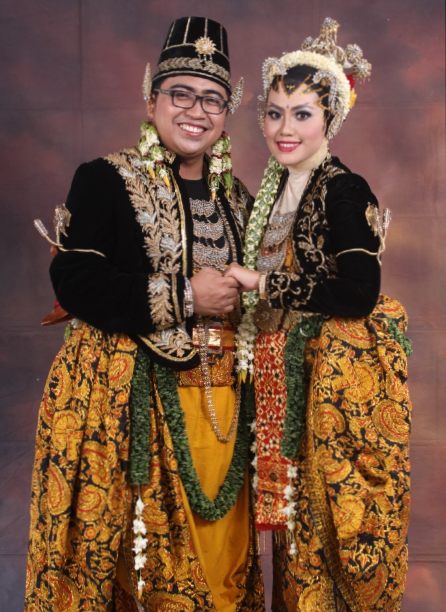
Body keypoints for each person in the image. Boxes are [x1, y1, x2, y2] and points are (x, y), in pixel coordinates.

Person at [25, 16, 264, 611]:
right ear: (150, 99)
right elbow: (76, 282)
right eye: (181, 93)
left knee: (221, 569)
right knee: (141, 575)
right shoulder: (105, 180)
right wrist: (187, 296)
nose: (196, 111)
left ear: (227, 112)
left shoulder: (240, 199)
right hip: (133, 414)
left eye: (212, 99)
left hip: (224, 419)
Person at [226, 18, 412, 611]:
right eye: (274, 113)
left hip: (326, 396)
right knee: (291, 540)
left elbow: (358, 292)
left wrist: (265, 283)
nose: (285, 129)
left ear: (330, 119)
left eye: (302, 114)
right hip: (282, 385)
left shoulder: (343, 189)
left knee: (323, 533)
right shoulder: (276, 189)